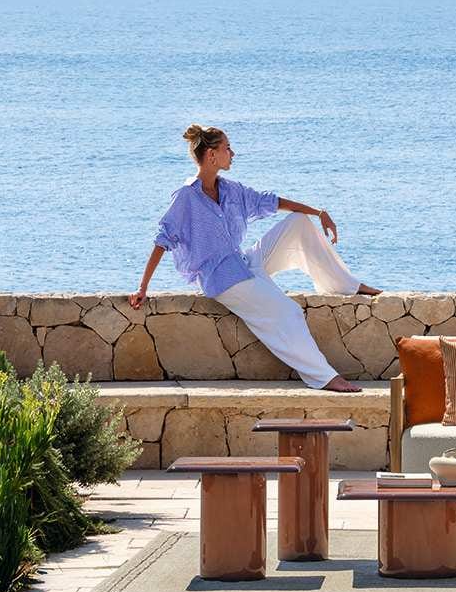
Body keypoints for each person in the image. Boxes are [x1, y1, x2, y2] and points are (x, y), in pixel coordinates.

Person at [127, 124, 378, 392]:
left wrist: (319, 213)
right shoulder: (186, 197)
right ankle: (324, 377)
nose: (233, 153)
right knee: (289, 311)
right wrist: (143, 287)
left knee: (298, 223)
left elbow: (272, 201)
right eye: (227, 148)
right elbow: (162, 240)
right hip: (223, 279)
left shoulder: (230, 190)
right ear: (212, 155)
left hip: (244, 262)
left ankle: (347, 284)